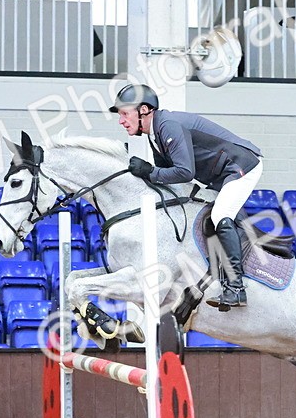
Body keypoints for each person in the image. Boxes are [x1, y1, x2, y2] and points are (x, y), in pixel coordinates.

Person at [110, 83, 263, 310]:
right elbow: (167, 176)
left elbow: (184, 172)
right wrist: (146, 174)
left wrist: (149, 172)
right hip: (221, 174)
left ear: (144, 110)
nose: (121, 121)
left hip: (241, 166)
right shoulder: (155, 134)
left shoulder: (168, 126)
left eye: (124, 114)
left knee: (220, 215)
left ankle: (236, 288)